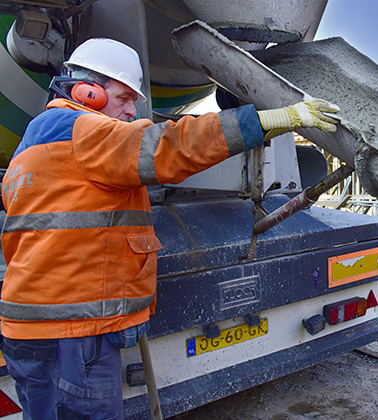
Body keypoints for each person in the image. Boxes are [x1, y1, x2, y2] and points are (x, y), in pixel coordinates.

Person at [0, 37, 339, 419]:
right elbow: (168, 145)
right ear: (86, 91)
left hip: (32, 328)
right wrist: (272, 119)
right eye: (124, 97)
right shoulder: (82, 131)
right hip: (71, 336)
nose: (132, 110)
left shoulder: (28, 149)